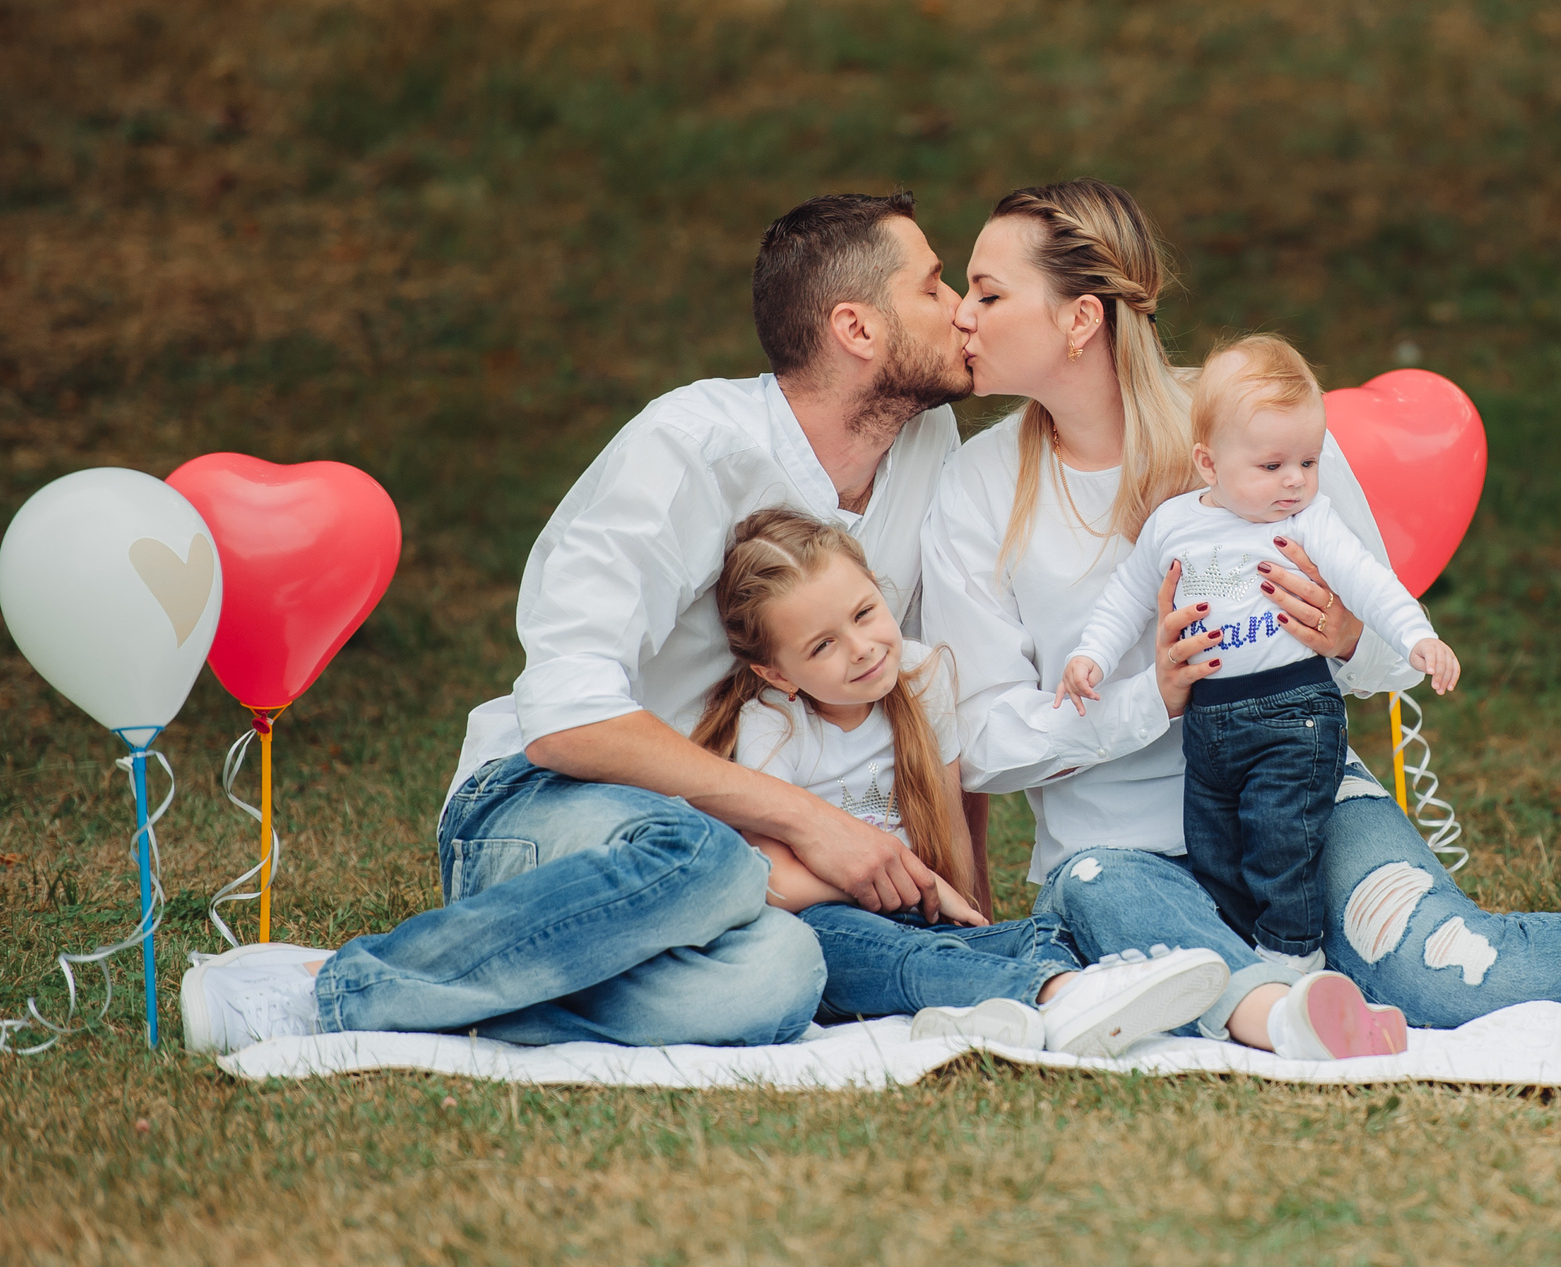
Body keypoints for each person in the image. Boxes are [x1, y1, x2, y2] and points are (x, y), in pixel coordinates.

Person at [921, 180, 1561, 1064]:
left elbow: (1385, 652)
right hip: (1123, 850)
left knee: (1434, 971)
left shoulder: (1258, 430)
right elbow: (981, 742)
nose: (961, 314)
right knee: (1100, 892)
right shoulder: (974, 489)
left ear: (1080, 319)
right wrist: (1148, 698)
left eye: (987, 292)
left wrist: (1345, 636)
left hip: (1306, 801)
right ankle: (1283, 1007)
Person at [182, 192, 985, 1054]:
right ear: (857, 330)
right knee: (706, 857)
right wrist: (810, 820)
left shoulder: (929, 443)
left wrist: (969, 916)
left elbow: (932, 688)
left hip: (737, 864)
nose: (963, 311)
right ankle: (331, 994)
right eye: (935, 287)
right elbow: (568, 719)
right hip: (540, 807)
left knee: (782, 978)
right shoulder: (686, 447)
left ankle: (461, 986)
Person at [698, 505, 1228, 1055]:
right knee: (887, 955)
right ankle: (1058, 992)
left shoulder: (923, 679)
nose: (861, 648)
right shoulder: (774, 726)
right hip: (825, 926)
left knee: (1036, 935)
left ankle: (994, 1002)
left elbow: (948, 816)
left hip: (923, 917)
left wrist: (968, 915)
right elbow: (772, 880)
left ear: (882, 592)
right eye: (822, 645)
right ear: (777, 673)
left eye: (863, 613)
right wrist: (907, 885)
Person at [1060, 334, 1458, 992]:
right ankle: (1245, 956)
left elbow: (1367, 581)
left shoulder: (1309, 521)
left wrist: (1418, 637)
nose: (1295, 480)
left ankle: (1294, 957)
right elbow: (1126, 597)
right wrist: (1089, 657)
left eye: (1308, 460)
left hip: (1294, 712)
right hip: (1209, 725)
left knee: (1283, 841)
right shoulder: (1174, 524)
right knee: (1214, 846)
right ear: (1208, 463)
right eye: (1272, 465)